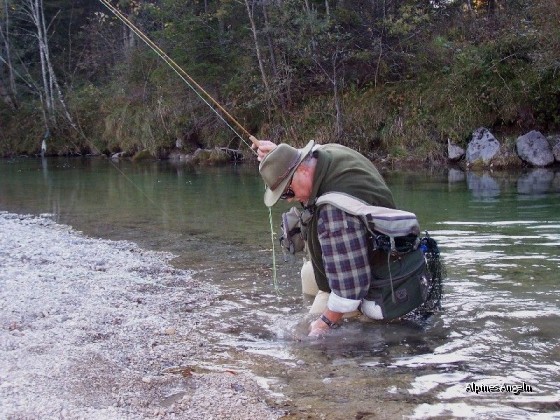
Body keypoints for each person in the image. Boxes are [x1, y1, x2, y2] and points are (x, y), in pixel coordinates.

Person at [256, 139, 432, 337]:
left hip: (376, 284)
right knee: (308, 273)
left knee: (308, 340)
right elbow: (299, 159)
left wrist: (322, 324)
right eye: (282, 195)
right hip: (374, 252)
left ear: (302, 171)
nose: (288, 198)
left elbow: (350, 291)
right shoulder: (326, 154)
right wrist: (279, 155)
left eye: (287, 191)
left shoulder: (335, 214)